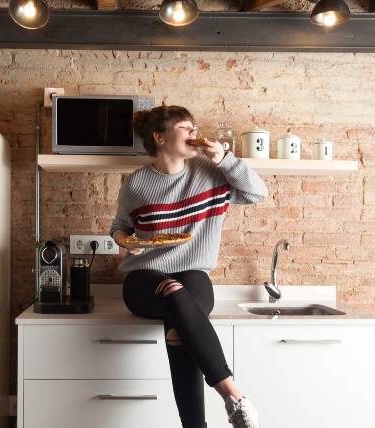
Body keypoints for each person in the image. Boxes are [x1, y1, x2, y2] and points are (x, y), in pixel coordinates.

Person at [110, 105, 268, 428]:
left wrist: (225, 160)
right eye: (186, 127)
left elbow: (257, 193)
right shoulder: (136, 184)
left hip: (193, 275)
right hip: (143, 278)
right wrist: (126, 241)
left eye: (194, 127)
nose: (194, 133)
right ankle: (233, 396)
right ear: (160, 137)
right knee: (173, 298)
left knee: (178, 324)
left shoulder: (209, 172)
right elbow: (119, 227)